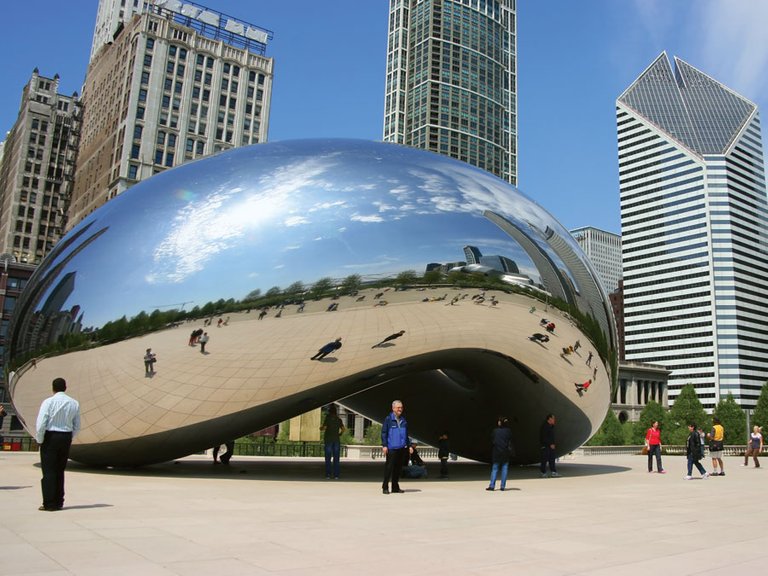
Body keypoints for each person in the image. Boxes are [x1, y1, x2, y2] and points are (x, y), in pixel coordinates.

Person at [35, 377, 81, 511]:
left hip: (51, 437)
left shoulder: (48, 402)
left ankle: (49, 503)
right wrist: (69, 436)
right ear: (65, 388)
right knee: (60, 470)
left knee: (49, 471)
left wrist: (40, 439)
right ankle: (59, 501)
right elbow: (77, 425)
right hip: (65, 437)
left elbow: (41, 423)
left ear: (53, 388)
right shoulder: (74, 403)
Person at [381, 400, 412, 494]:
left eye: (401, 407)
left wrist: (409, 446)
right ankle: (385, 487)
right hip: (391, 448)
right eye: (398, 407)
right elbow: (384, 433)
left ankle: (395, 487)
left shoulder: (403, 420)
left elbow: (406, 434)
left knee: (398, 469)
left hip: (401, 448)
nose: (400, 409)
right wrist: (384, 445)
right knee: (389, 468)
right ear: (393, 408)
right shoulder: (388, 419)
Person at [487, 417, 513, 491]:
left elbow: (492, 440)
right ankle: (502, 486)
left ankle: (492, 485)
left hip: (497, 452)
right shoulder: (508, 431)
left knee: (495, 469)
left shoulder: (495, 431)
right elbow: (510, 440)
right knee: (504, 469)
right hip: (505, 452)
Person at [320, 404, 345, 479]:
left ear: (329, 412)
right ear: (336, 412)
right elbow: (343, 429)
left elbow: (323, 427)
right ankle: (336, 475)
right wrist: (339, 434)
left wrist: (321, 428)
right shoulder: (339, 419)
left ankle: (328, 475)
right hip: (336, 440)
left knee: (328, 458)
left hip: (328, 440)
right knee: (336, 458)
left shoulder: (327, 418)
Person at [539, 413, 559, 478]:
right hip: (546, 446)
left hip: (551, 446)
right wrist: (550, 444)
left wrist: (553, 444)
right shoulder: (545, 426)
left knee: (552, 459)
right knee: (544, 459)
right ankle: (543, 472)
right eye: (553, 418)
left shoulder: (551, 426)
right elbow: (544, 437)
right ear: (550, 419)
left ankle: (554, 472)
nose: (554, 420)